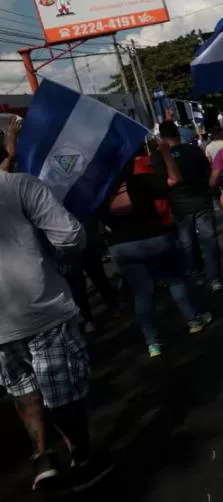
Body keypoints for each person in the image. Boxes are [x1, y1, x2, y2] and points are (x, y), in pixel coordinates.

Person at [0, 172, 94, 491]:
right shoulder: (20, 185)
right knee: (61, 389)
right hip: (44, 307)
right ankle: (79, 449)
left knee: (23, 388)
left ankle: (42, 457)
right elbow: (69, 236)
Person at [103, 142, 210, 358]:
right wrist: (165, 154)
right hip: (155, 239)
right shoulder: (139, 182)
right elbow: (174, 180)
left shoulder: (100, 193)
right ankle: (193, 320)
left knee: (142, 294)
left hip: (122, 247)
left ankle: (153, 343)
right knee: (175, 280)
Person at [156, 120, 223, 292]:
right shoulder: (193, 150)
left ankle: (198, 274)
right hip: (201, 200)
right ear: (178, 133)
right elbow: (207, 171)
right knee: (209, 240)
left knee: (188, 243)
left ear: (162, 138)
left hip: (178, 207)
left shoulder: (160, 158)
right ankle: (214, 278)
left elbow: (161, 183)